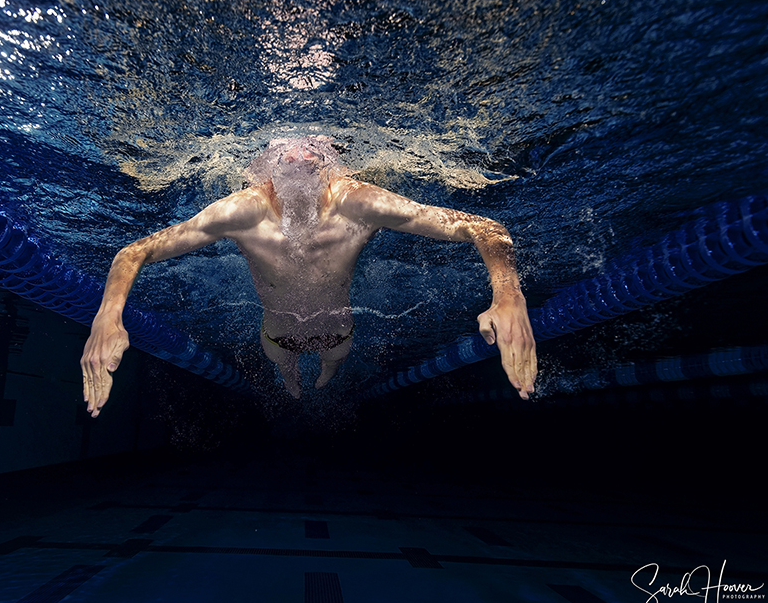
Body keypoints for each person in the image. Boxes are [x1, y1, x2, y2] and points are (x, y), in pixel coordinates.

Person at [81, 136, 536, 416]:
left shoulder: (359, 202)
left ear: (331, 162)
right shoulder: (241, 212)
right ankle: (292, 381)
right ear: (266, 165)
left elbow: (483, 228)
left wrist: (508, 294)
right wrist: (109, 313)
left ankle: (322, 375)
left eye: (313, 148)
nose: (299, 154)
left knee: (331, 366)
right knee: (286, 369)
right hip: (277, 336)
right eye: (284, 149)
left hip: (338, 334)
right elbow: (134, 251)